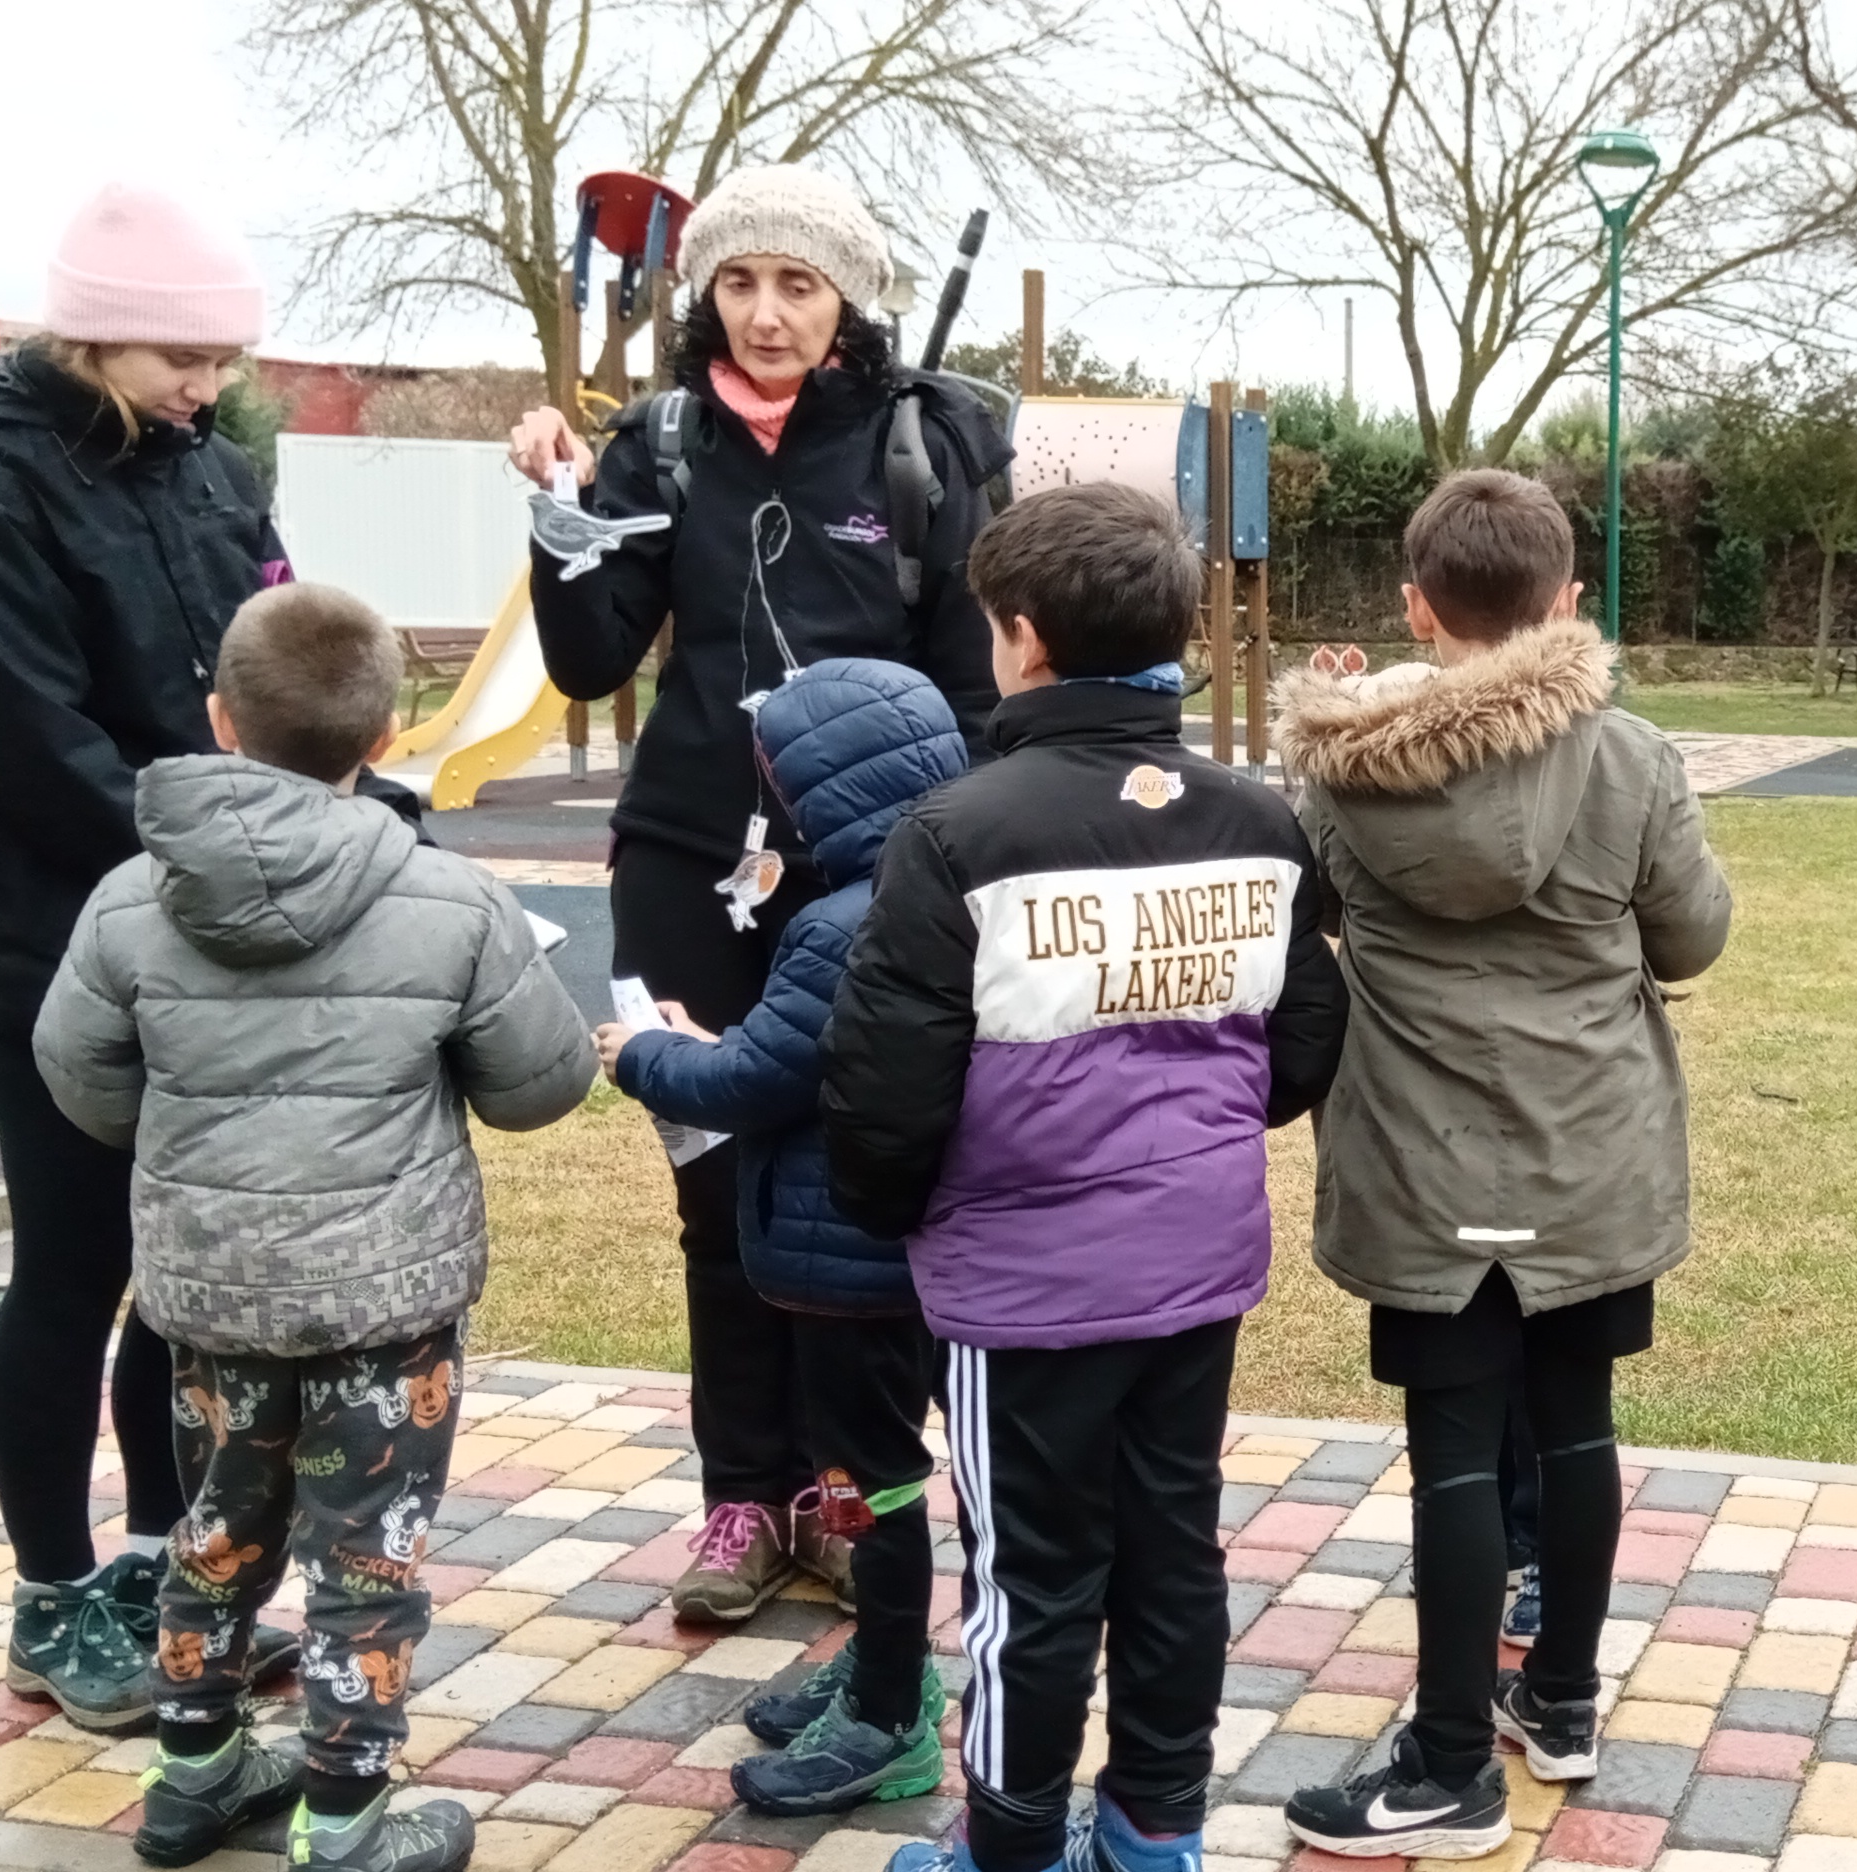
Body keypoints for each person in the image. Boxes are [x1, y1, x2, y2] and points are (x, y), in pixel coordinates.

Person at [509, 163, 1011, 1621]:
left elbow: (971, 690)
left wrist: (960, 872)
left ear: (848, 297)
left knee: (873, 1191)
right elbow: (591, 657)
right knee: (719, 1190)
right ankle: (744, 1499)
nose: (769, 312)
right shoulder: (658, 443)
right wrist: (554, 520)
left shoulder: (921, 447)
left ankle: (854, 1491)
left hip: (876, 872)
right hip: (685, 865)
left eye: (799, 283)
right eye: (740, 281)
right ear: (705, 293)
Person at [822, 482, 1345, 1872]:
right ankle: (1153, 1828)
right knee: (1175, 1553)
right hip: (1196, 1256)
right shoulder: (1258, 820)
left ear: (1022, 637)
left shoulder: (954, 833)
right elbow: (1303, 1046)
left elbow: (885, 1089)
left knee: (1032, 1578)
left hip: (1026, 1285)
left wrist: (896, 1210)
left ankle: (1010, 1845)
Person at [33, 585, 595, 1870]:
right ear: (387, 734)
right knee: (369, 1553)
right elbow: (540, 1084)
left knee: (216, 1525)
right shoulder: (453, 902)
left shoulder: (130, 899)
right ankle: (342, 1820)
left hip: (214, 1295)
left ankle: (194, 1773)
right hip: (384, 1310)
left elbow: (79, 1072)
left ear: (222, 719)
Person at [0, 180, 317, 1729]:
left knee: (185, 1284)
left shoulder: (211, 471)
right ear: (93, 331)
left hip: (216, 932)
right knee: (75, 1267)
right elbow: (20, 746)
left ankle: (160, 1565)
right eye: (183, 357)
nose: (210, 386)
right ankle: (54, 1595)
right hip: (63, 940)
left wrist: (329, 804)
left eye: (224, 358)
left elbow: (276, 656)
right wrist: (234, 853)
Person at [1272, 470, 1733, 1858]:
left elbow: (1313, 917)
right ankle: (1563, 1701)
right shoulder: (1636, 758)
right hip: (1590, 1154)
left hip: (1426, 1165)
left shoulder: (1343, 771)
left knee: (1455, 1463)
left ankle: (1453, 1763)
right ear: (1569, 602)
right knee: (1578, 1426)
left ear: (1417, 605)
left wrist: (1353, 718)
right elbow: (1692, 937)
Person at [604, 659, 969, 1817]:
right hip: (918, 1259)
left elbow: (765, 1080)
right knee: (870, 1473)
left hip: (844, 1267)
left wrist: (649, 1055)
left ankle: (891, 1709)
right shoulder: (961, 892)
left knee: (875, 1488)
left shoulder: (835, 925)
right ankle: (877, 1669)